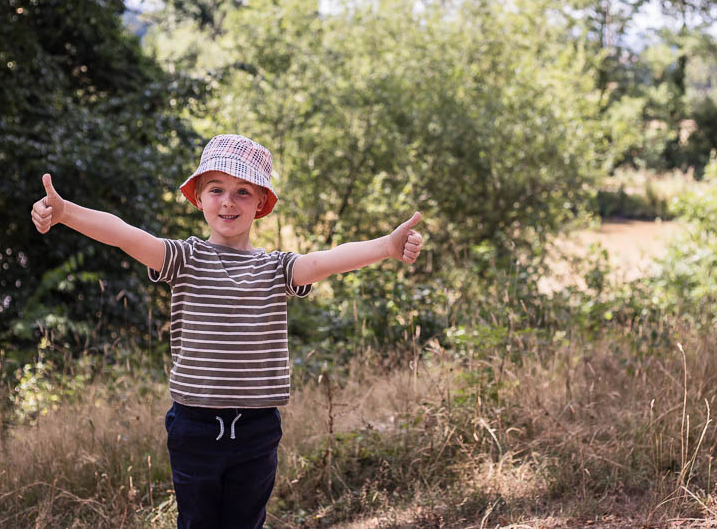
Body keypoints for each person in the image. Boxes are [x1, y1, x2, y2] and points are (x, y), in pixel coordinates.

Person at [30, 133, 423, 529]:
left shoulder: (276, 269)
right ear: (199, 198)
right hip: (194, 428)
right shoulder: (183, 258)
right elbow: (123, 233)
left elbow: (329, 260)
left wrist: (386, 246)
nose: (228, 201)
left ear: (261, 204)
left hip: (256, 431)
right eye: (216, 189)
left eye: (243, 191)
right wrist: (66, 212)